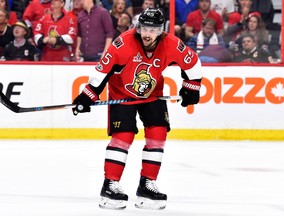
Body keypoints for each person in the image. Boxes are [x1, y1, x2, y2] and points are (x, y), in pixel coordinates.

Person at [72, 8, 202, 210]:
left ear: (162, 30)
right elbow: (102, 70)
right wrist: (88, 94)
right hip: (121, 94)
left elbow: (193, 64)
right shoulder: (123, 43)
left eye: (153, 29)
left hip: (153, 94)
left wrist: (191, 89)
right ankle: (110, 185)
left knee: (158, 134)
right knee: (123, 136)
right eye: (144, 28)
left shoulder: (172, 44)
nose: (147, 34)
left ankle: (147, 185)